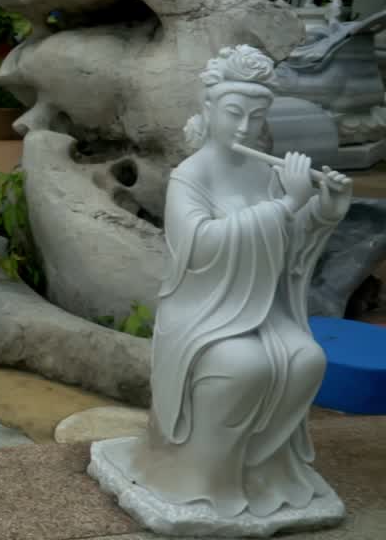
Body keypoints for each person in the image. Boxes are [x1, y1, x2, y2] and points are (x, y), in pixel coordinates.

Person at [113, 44, 352, 519]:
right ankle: (202, 476)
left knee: (306, 358)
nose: (244, 128)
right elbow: (199, 246)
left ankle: (264, 472)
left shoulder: (266, 172)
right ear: (208, 110)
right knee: (243, 365)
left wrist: (319, 208)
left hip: (262, 306)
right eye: (233, 113)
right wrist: (285, 206)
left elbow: (291, 243)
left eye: (256, 116)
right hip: (203, 312)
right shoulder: (189, 177)